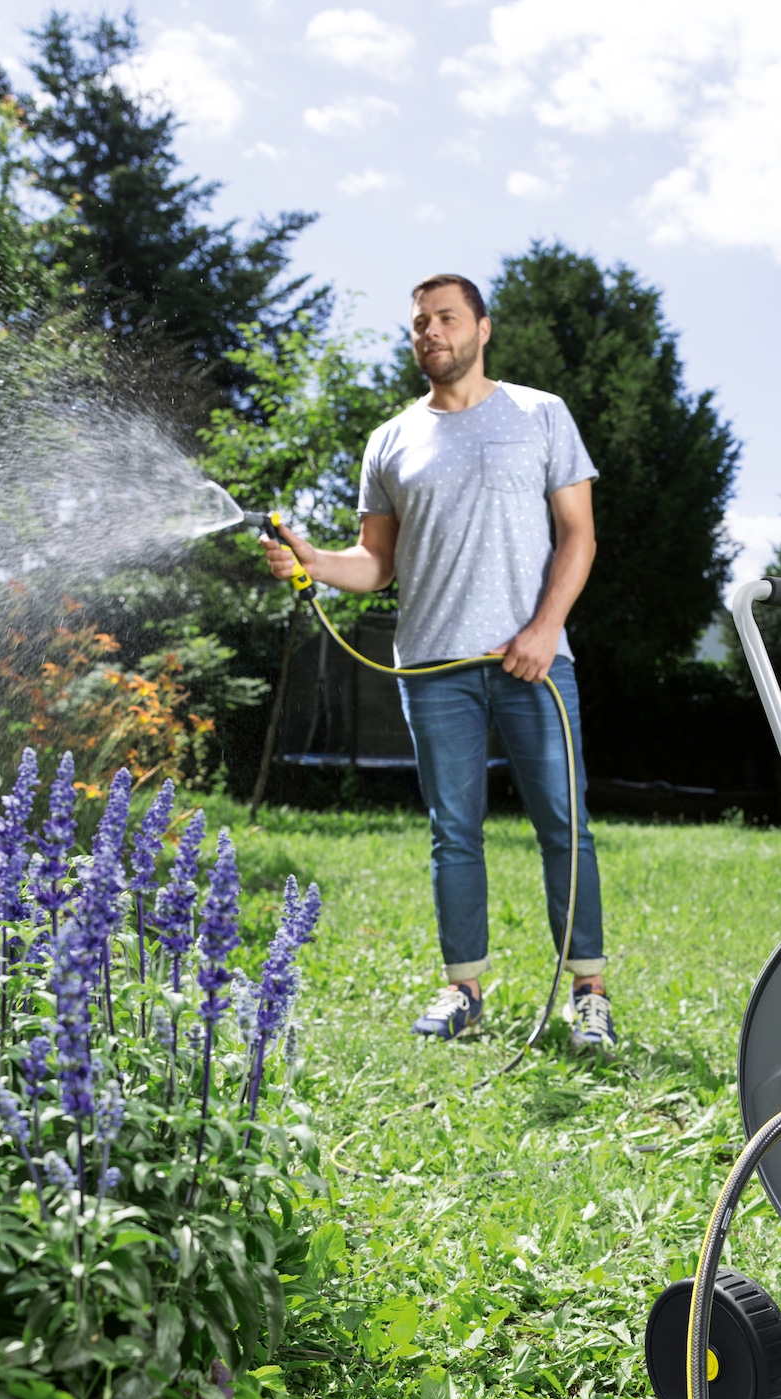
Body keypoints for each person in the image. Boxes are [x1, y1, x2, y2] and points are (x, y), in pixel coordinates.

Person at [263, 272, 614, 1054]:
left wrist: (543, 629)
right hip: (433, 669)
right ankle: (464, 988)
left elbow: (579, 536)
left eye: (446, 318)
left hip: (535, 660)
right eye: (420, 321)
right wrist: (312, 560)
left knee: (566, 825)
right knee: (453, 833)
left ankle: (588, 991)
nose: (431, 332)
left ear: (482, 329)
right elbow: (376, 563)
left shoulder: (541, 415)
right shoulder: (390, 441)